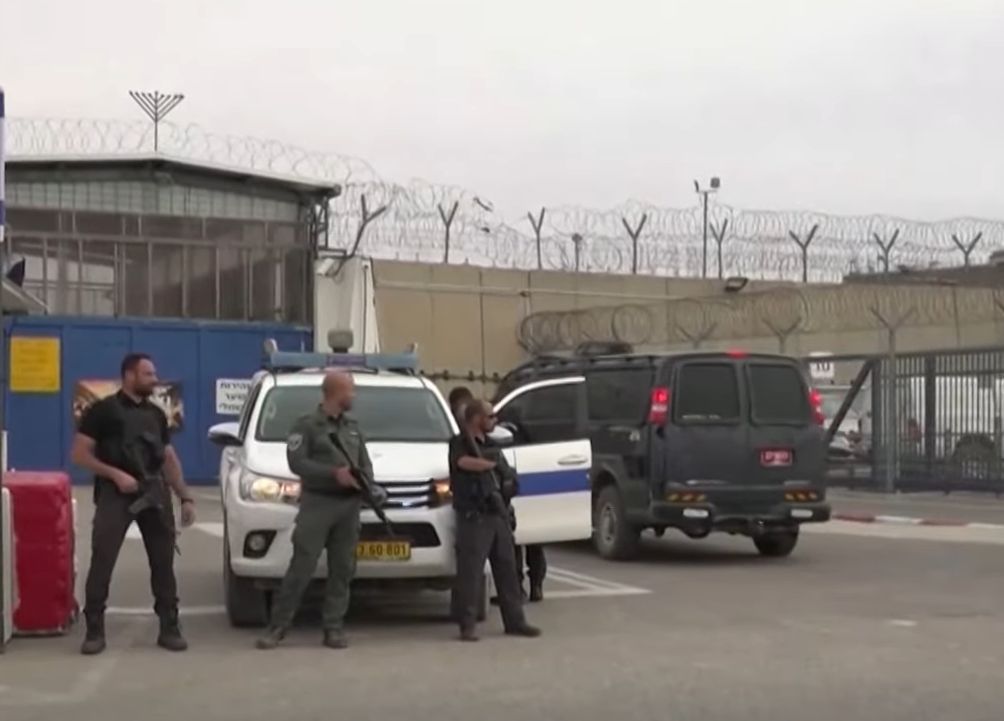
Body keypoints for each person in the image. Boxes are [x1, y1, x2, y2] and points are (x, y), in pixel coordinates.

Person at [72, 353, 196, 655]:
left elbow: (168, 458)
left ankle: (169, 627)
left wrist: (185, 496)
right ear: (129, 375)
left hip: (154, 491)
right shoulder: (102, 411)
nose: (155, 379)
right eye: (148, 374)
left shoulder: (156, 414)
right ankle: (94, 630)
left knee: (163, 562)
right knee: (103, 559)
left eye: (154, 374)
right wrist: (115, 474)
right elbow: (80, 455)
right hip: (116, 493)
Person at [256, 370, 385, 650]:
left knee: (343, 569)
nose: (353, 395)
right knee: (301, 567)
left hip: (348, 506)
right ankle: (278, 626)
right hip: (318, 503)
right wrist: (333, 474)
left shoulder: (352, 427)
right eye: (350, 390)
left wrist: (366, 484)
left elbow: (364, 464)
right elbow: (297, 463)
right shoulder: (307, 425)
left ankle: (333, 627)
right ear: (335, 392)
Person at [449, 400, 540, 642]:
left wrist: (507, 482)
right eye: (490, 416)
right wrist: (489, 465)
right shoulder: (460, 443)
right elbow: (462, 462)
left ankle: (515, 621)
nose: (494, 420)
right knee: (470, 574)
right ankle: (467, 625)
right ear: (476, 418)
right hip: (474, 517)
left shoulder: (492, 446)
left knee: (508, 571)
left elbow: (508, 475)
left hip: (497, 514)